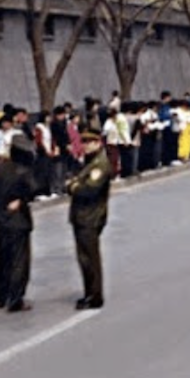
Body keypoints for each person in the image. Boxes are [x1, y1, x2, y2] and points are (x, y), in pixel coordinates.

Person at [0, 133, 38, 313]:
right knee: (19, 261)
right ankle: (15, 299)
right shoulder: (24, 172)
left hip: (0, 220)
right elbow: (33, 190)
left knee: (3, 259)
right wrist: (21, 200)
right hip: (18, 221)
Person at [67, 130, 113, 310]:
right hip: (82, 215)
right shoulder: (90, 161)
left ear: (98, 142)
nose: (85, 145)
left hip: (90, 217)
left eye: (89, 142)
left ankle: (95, 296)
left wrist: (73, 186)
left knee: (89, 258)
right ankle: (89, 293)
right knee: (84, 257)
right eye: (83, 142)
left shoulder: (100, 164)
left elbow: (88, 190)